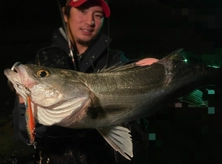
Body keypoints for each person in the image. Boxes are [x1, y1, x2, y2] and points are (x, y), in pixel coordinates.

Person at [12, 0, 158, 163]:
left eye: (98, 15)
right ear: (65, 14)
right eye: (83, 11)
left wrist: (149, 72)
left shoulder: (116, 59)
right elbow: (24, 136)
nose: (90, 21)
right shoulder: (43, 61)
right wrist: (25, 106)